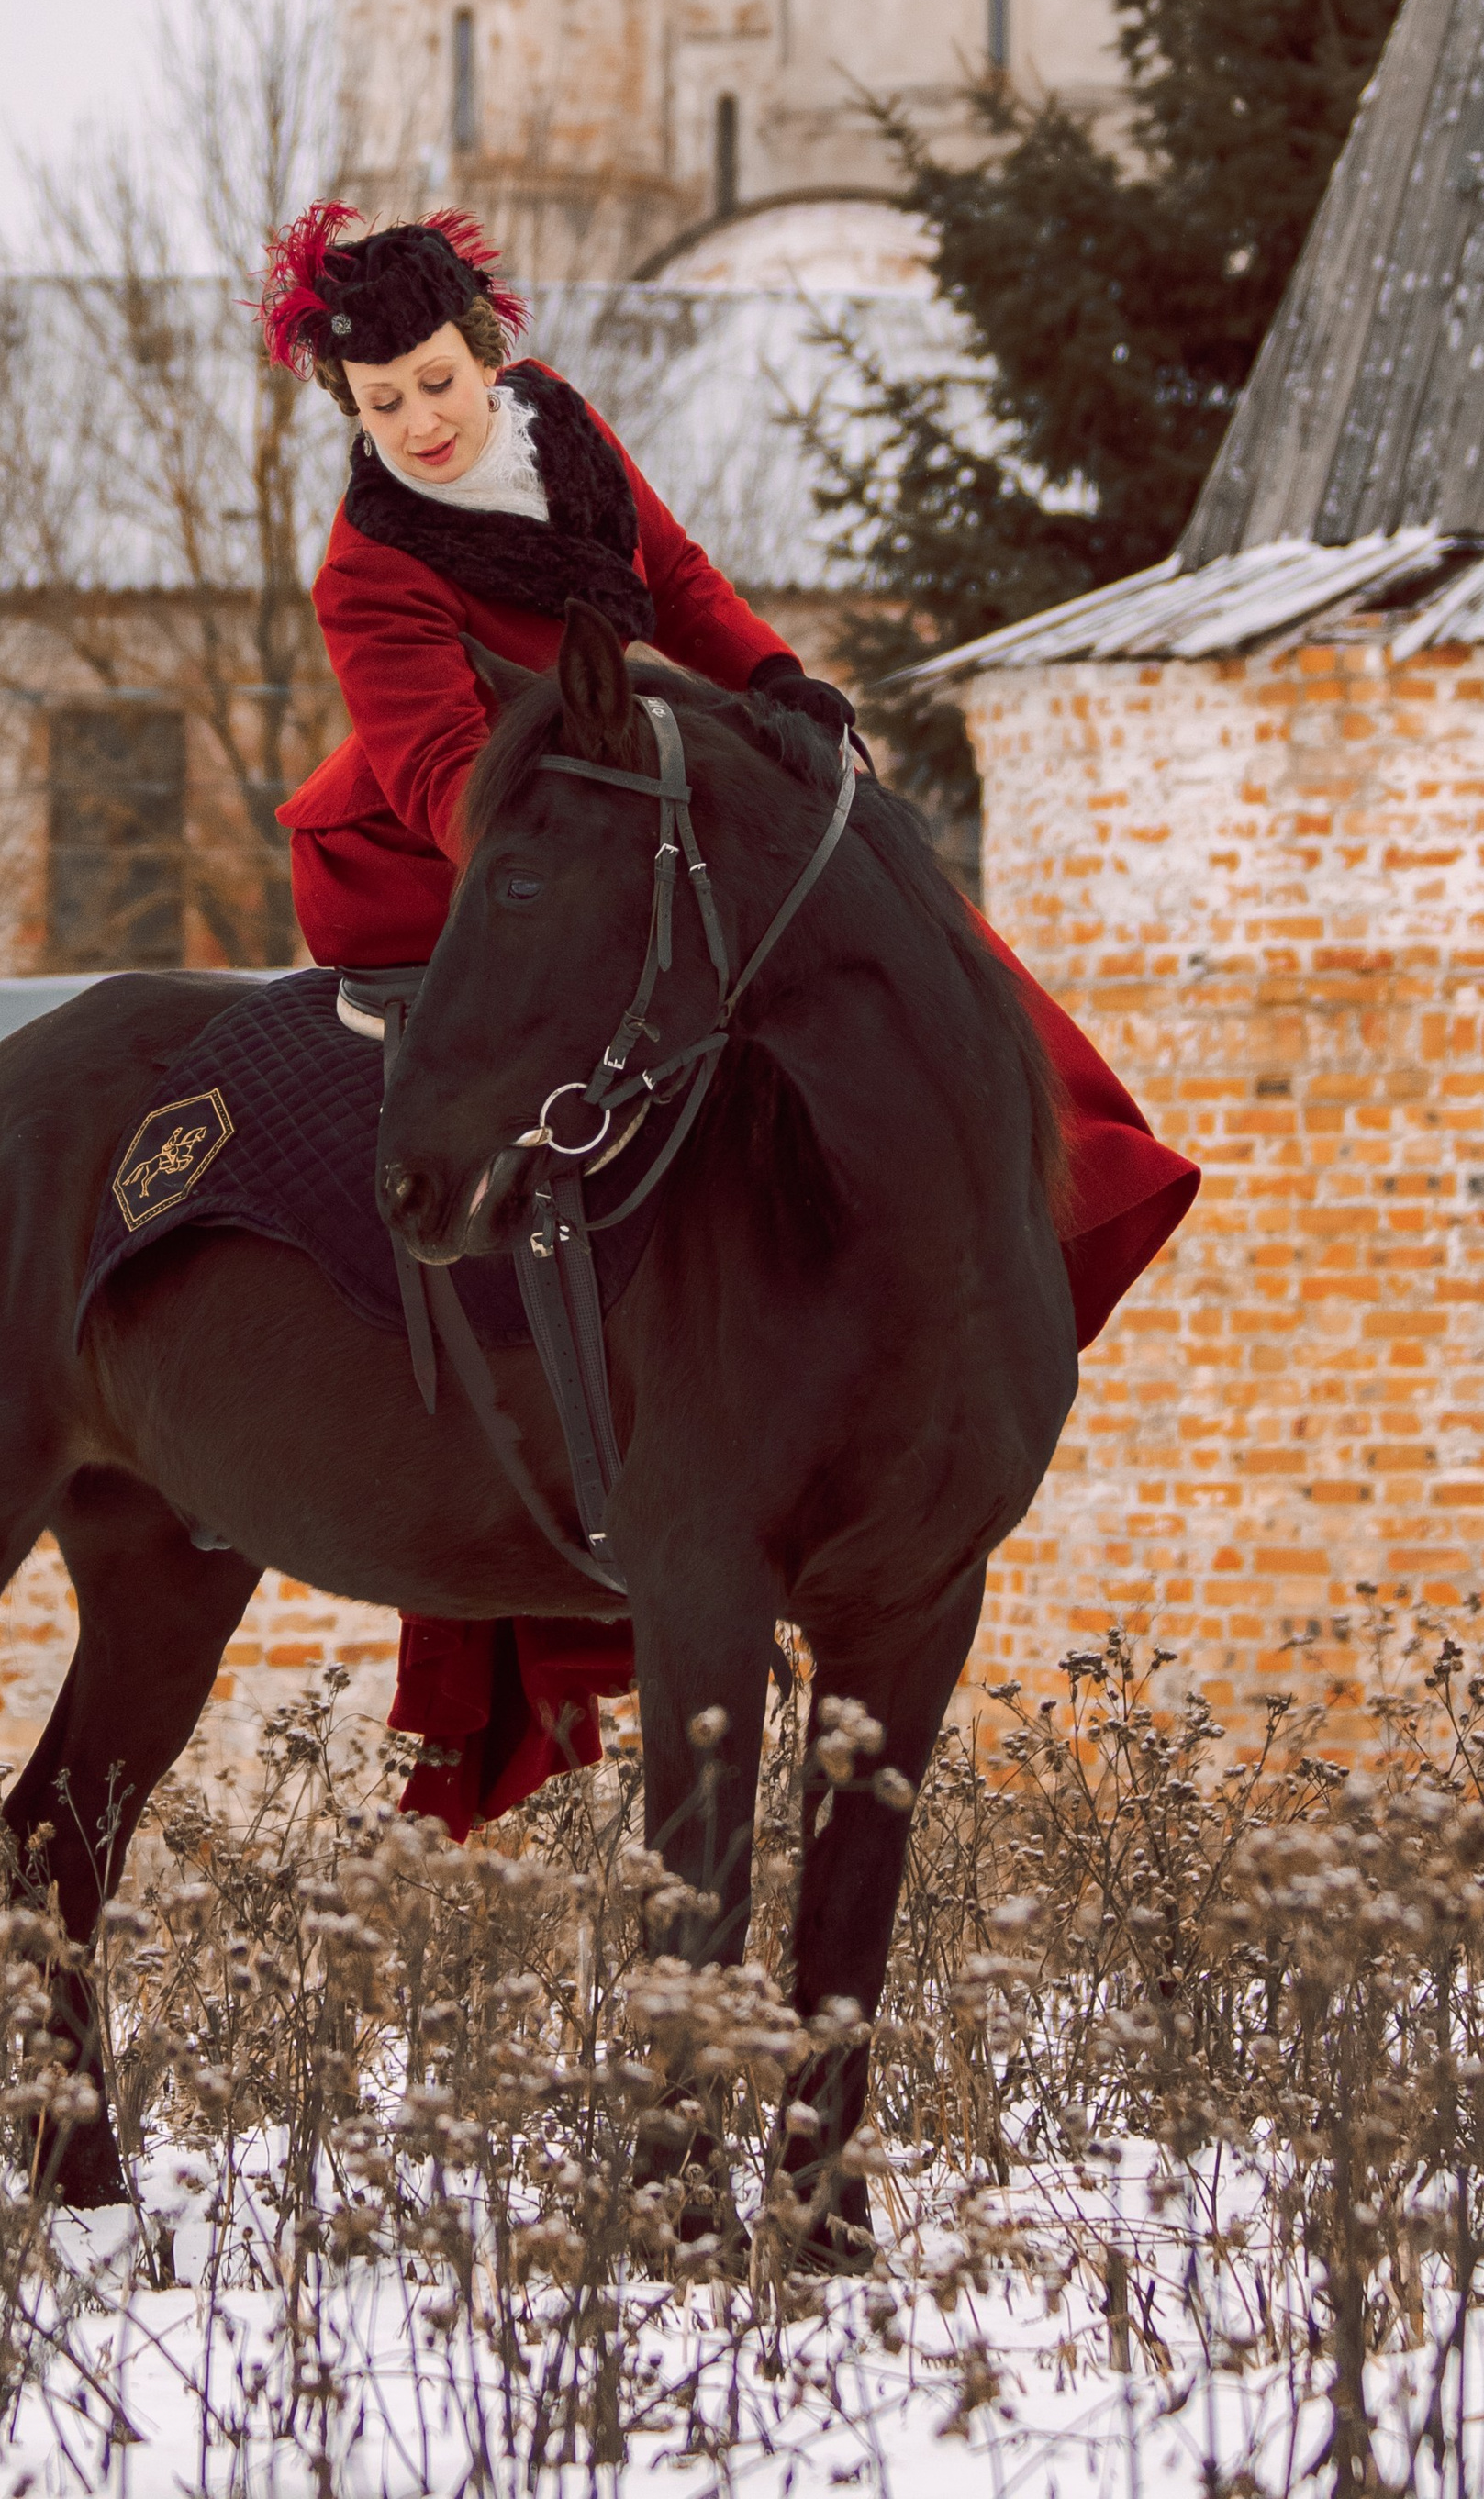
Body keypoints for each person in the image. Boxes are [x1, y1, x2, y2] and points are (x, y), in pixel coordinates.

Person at [261, 204, 1197, 1824]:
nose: (419, 423)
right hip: (479, 859)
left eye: (432, 381)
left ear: (487, 349)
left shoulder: (560, 425)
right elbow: (439, 783)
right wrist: (635, 822)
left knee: (889, 908)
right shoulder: (370, 564)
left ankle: (1049, 1199)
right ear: (349, 413)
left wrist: (770, 688)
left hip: (646, 783)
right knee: (599, 1011)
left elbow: (676, 585)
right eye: (379, 406)